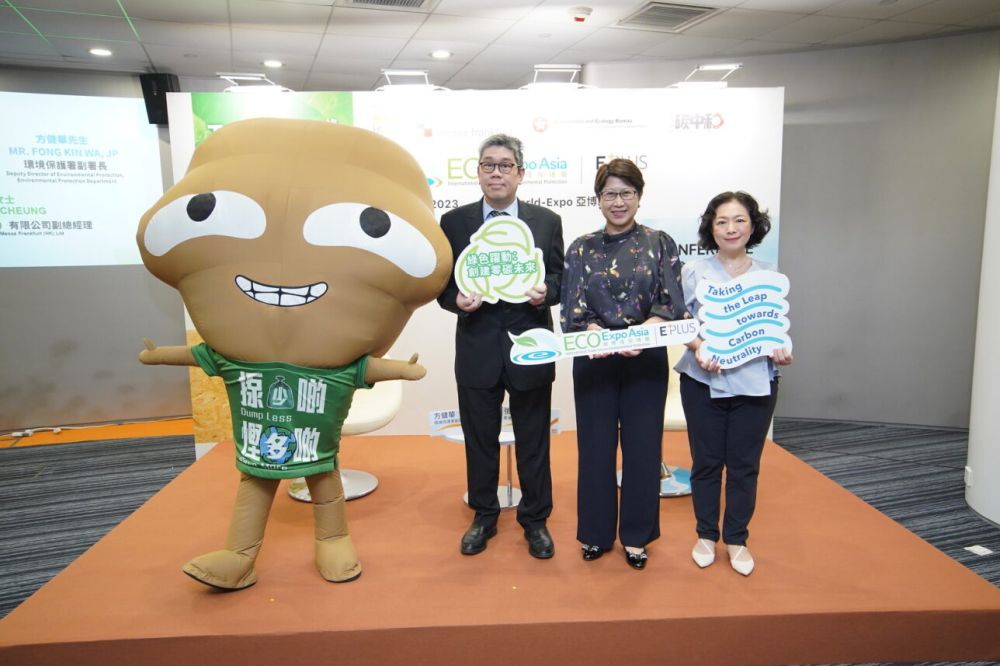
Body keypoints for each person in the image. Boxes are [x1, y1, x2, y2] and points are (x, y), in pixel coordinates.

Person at [437, 134, 564, 559]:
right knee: (480, 439)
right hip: (477, 348)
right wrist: (456, 300)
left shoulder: (546, 222)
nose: (496, 172)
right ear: (477, 172)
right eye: (488, 165)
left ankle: (535, 520)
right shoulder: (454, 224)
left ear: (520, 173)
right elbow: (442, 286)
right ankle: (484, 516)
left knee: (534, 440)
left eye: (505, 165)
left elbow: (562, 280)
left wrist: (546, 293)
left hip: (529, 346)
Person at [561, 158, 688, 570]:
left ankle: (636, 537)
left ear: (639, 196)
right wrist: (597, 334)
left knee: (643, 449)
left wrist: (642, 334)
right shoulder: (581, 247)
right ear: (598, 199)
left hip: (644, 360)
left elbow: (670, 302)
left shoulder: (660, 242)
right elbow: (572, 308)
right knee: (595, 450)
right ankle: (595, 535)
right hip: (594, 359)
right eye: (610, 194)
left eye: (626, 193)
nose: (619, 202)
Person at [676, 191, 793, 576]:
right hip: (703, 379)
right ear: (711, 228)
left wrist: (781, 348)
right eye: (722, 221)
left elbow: (775, 327)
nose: (731, 228)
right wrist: (698, 347)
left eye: (739, 220)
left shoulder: (769, 275)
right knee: (706, 463)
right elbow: (681, 322)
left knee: (745, 465)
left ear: (752, 225)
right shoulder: (694, 271)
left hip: (756, 382)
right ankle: (706, 534)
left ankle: (737, 538)